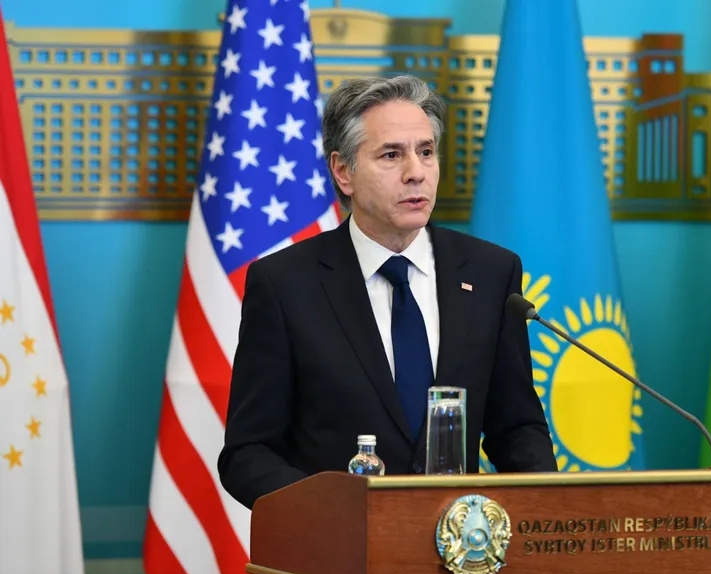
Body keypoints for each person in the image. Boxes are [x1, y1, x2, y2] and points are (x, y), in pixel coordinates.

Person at [218, 75, 557, 510]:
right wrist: (332, 515)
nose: (416, 172)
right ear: (344, 172)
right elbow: (248, 453)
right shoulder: (285, 284)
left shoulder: (492, 273)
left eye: (426, 152)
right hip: (337, 555)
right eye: (391, 155)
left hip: (461, 552)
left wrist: (549, 510)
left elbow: (516, 428)